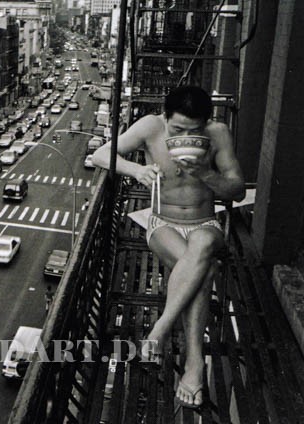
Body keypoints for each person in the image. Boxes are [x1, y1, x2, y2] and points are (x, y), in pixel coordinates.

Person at [92, 86, 245, 409]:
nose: (184, 136)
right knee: (203, 271)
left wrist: (205, 173)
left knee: (202, 244)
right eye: (177, 130)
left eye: (194, 131)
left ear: (207, 123)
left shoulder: (218, 134)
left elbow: (237, 191)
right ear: (165, 118)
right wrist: (137, 169)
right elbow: (100, 154)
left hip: (205, 223)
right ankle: (194, 365)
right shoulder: (150, 127)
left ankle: (159, 330)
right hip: (163, 224)